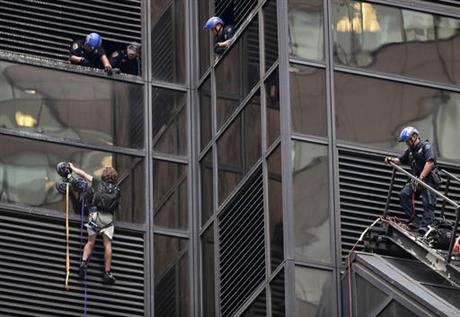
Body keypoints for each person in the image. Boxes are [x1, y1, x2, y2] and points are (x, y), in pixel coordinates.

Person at [69, 163, 120, 284]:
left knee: (90, 241)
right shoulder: (117, 189)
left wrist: (72, 167)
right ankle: (107, 273)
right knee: (107, 245)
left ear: (104, 176)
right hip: (108, 219)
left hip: (95, 216)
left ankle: (83, 263)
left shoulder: (97, 182)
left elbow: (83, 174)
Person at [384, 127, 439, 230]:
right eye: (406, 141)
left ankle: (426, 227)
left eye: (408, 140)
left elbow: (430, 162)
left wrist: (421, 177)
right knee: (404, 195)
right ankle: (416, 222)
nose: (407, 143)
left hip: (428, 179)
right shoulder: (410, 151)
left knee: (428, 203)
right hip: (417, 179)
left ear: (414, 136)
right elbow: (400, 160)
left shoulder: (426, 147)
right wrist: (390, 159)